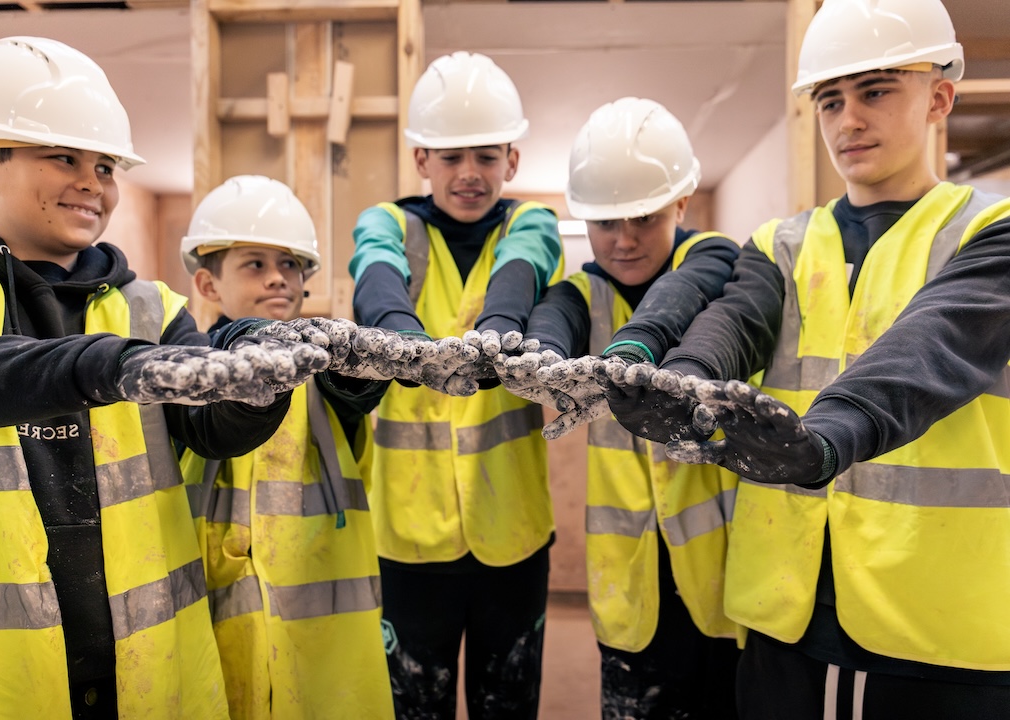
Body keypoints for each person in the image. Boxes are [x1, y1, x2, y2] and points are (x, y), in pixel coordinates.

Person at [602, 1, 1010, 717]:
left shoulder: (990, 232)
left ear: (939, 97)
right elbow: (736, 320)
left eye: (876, 91)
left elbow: (931, 348)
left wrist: (824, 439)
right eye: (830, 99)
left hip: (939, 630)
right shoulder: (783, 244)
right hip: (786, 614)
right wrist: (683, 386)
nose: (848, 119)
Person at [0, 37, 330, 718]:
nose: (92, 181)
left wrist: (261, 381)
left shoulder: (152, 308)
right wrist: (108, 363)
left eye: (106, 165)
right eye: (64, 157)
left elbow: (210, 429)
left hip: (145, 664)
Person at [501, 97, 741, 719]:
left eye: (643, 216)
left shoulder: (717, 261)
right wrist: (540, 356)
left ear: (681, 205)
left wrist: (633, 346)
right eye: (606, 223)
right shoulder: (583, 291)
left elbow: (680, 295)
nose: (624, 239)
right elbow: (556, 314)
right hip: (630, 573)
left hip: (723, 570)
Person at [346, 51, 563, 718]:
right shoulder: (389, 223)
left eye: (486, 156)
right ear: (421, 160)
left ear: (512, 161)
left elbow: (523, 268)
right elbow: (373, 273)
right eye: (450, 156)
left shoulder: (530, 221)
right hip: (410, 539)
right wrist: (406, 344)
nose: (469, 174)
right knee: (415, 705)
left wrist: (498, 325)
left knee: (508, 705)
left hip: (513, 534)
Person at [178, 175, 395, 720]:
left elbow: (359, 390)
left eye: (291, 265)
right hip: (210, 625)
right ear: (207, 285)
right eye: (255, 264)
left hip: (320, 644)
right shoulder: (179, 372)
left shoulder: (328, 376)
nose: (279, 279)